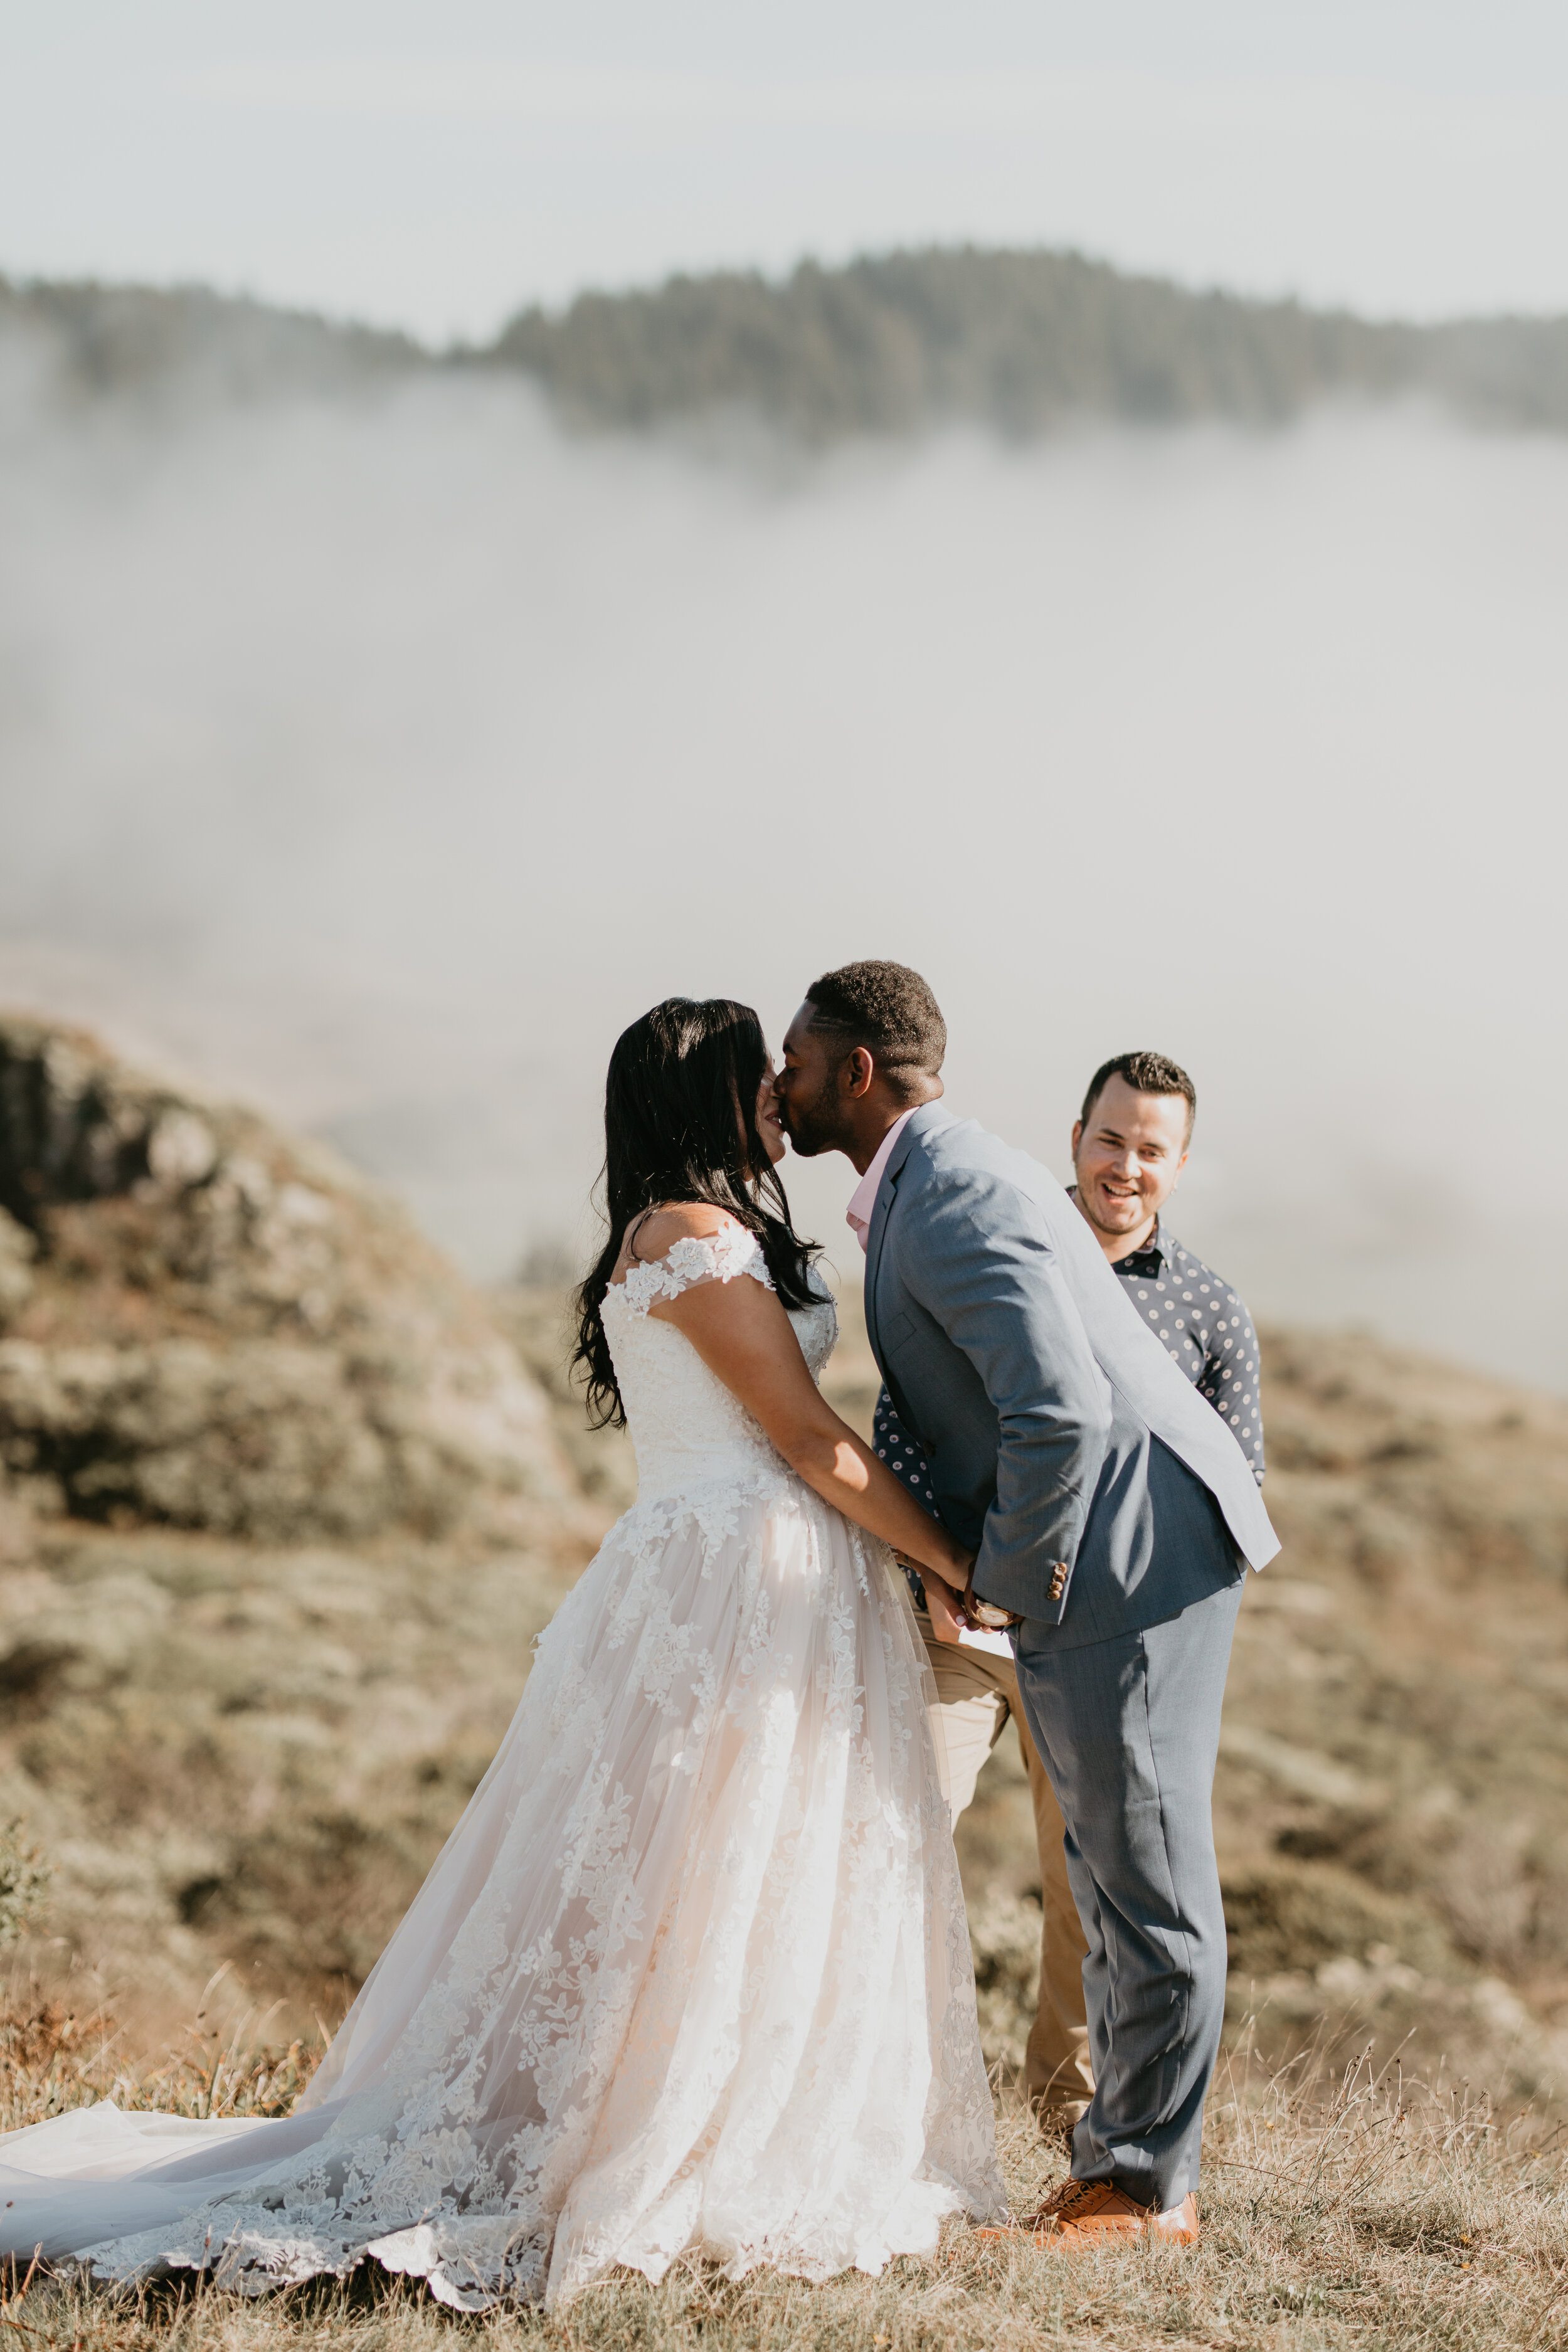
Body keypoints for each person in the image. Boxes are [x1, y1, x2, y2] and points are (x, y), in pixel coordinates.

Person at [0, 998, 1004, 2305]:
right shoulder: (692, 1239)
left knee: (738, 1865)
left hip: (772, 1577)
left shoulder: (720, 1229)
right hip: (723, 1583)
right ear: (698, 1095)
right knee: (681, 1866)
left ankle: (712, 2109)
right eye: (752, 1072)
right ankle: (623, 2134)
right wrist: (955, 1564)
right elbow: (808, 1442)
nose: (775, 1090)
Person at [778, 965, 1279, 2252]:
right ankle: (1119, 2165)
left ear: (853, 1072)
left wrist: (1001, 1579)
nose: (776, 1081)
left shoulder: (941, 1192)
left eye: (793, 1056)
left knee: (1143, 1875)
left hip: (1133, 1561)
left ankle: (1141, 2189)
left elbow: (1061, 1408)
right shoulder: (935, 1174)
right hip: (1103, 1557)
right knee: (1115, 1875)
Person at [868, 1048, 1268, 2142]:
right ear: (1076, 1134)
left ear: (1180, 1165)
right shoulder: (998, 1236)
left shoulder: (1211, 1311)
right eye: (1109, 1138)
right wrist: (939, 1573)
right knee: (893, 1830)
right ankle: (880, 2088)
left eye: (1151, 1149)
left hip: (1098, 1641)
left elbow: (1228, 1486)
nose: (1124, 1166)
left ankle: (1072, 2121)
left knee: (1086, 1884)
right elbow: (906, 1415)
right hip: (961, 1622)